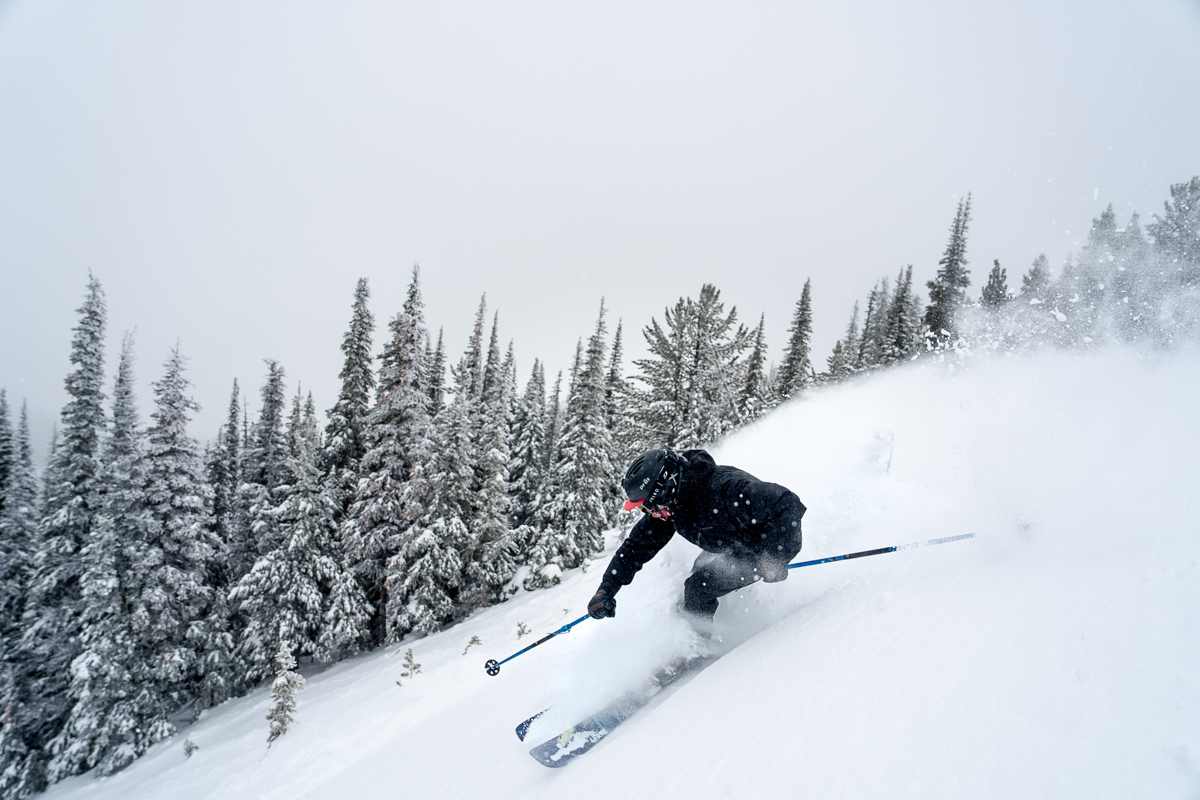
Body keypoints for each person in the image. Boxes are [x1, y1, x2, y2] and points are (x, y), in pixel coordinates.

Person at [587, 448, 806, 625]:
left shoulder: (726, 490)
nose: (650, 513)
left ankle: (698, 648)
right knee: (698, 571)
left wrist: (775, 558)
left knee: (697, 588)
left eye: (647, 505)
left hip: (767, 545)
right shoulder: (675, 505)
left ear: (664, 490)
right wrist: (606, 588)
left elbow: (787, 503)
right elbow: (636, 547)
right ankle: (696, 627)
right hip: (732, 544)